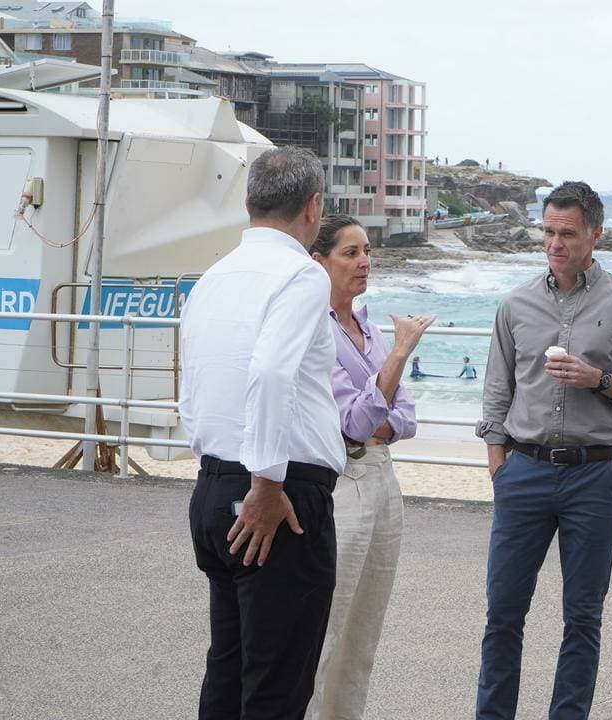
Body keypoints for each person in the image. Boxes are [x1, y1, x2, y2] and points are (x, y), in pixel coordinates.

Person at [475, 180, 612, 720]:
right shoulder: (515, 304)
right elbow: (497, 389)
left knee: (582, 617)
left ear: (595, 234)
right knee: (503, 614)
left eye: (568, 234)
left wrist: (599, 380)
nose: (555, 244)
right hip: (524, 472)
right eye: (548, 232)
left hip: (594, 477)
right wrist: (498, 464)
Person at [180, 146, 346, 720]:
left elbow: (195, 382)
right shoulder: (301, 272)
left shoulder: (214, 276)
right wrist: (269, 482)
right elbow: (272, 371)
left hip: (213, 482)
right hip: (276, 490)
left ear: (249, 202)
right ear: (313, 207)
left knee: (227, 673)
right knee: (276, 686)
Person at [306, 214, 435, 720]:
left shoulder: (367, 325)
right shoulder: (317, 329)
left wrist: (379, 403)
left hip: (383, 479)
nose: (365, 262)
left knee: (364, 632)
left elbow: (404, 418)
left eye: (366, 251)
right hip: (343, 482)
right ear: (319, 262)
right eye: (351, 252)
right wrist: (400, 353)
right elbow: (358, 422)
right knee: (327, 627)